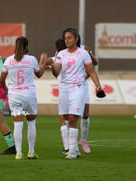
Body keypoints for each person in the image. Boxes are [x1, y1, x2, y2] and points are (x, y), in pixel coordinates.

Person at [49, 28, 103, 159]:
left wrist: (98, 85)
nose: (67, 40)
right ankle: (74, 149)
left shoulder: (83, 53)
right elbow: (57, 71)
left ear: (76, 39)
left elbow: (91, 71)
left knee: (73, 118)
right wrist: (53, 66)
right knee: (67, 118)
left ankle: (72, 150)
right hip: (64, 89)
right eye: (65, 38)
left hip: (78, 88)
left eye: (70, 38)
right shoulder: (61, 54)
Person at [0, 36, 48, 160]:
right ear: (26, 47)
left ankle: (19, 153)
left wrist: (6, 89)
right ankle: (31, 152)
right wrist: (43, 61)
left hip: (14, 95)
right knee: (31, 123)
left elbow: (1, 79)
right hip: (29, 95)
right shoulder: (31, 59)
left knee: (17, 124)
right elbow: (39, 74)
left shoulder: (9, 61)